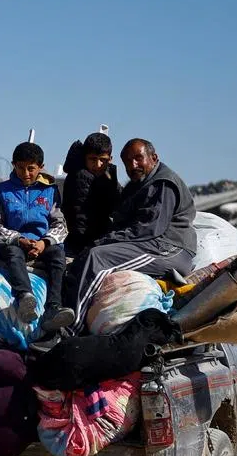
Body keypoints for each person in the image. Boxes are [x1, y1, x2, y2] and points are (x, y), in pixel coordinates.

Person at [64, 138, 199, 330]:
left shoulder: (161, 183)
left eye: (138, 158)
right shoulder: (138, 185)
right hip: (152, 244)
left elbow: (147, 228)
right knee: (86, 256)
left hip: (169, 248)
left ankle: (71, 327)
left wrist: (101, 242)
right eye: (127, 161)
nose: (133, 165)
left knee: (97, 258)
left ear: (153, 157)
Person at [0, 142, 76, 334]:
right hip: (14, 243)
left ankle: (53, 307)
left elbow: (59, 224)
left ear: (41, 167)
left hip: (41, 243)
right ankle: (25, 297)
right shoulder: (2, 190)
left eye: (31, 169)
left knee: (58, 256)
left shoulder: (50, 190)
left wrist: (44, 243)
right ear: (14, 165)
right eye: (20, 168)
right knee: (13, 253)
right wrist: (19, 240)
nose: (25, 173)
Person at [61, 132, 122, 257]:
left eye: (103, 160)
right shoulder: (80, 176)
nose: (98, 165)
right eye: (93, 159)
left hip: (96, 238)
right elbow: (80, 218)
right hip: (79, 242)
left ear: (110, 159)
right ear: (85, 157)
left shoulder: (108, 177)